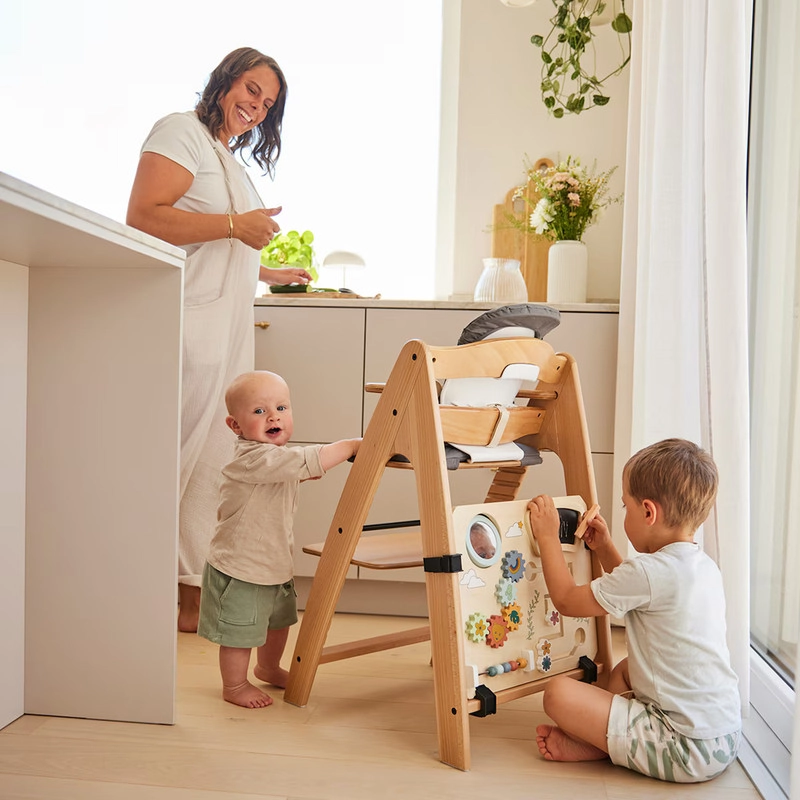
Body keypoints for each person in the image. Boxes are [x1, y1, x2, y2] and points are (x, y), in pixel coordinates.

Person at [126, 48, 312, 632]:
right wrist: (237, 226)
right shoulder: (179, 132)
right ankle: (127, 590)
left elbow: (215, 243)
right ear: (226, 81)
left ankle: (187, 603)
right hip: (186, 329)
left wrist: (267, 272)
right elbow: (143, 216)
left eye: (268, 102)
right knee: (173, 460)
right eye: (251, 90)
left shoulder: (225, 157)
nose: (256, 106)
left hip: (226, 338)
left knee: (211, 469)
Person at [527, 438, 741, 784]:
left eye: (625, 506)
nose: (623, 512)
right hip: (723, 735)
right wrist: (606, 548)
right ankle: (603, 739)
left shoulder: (648, 573)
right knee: (627, 670)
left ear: (648, 512)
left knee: (557, 694)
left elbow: (566, 600)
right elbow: (640, 593)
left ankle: (601, 743)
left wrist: (548, 537)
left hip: (684, 748)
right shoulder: (702, 567)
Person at [197, 370, 361, 708]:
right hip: (241, 569)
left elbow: (294, 469)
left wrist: (307, 472)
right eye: (259, 411)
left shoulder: (274, 461)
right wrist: (351, 446)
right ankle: (234, 686)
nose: (274, 416)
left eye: (282, 408)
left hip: (273, 564)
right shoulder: (252, 458)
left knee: (278, 623)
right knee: (240, 633)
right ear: (235, 426)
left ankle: (268, 667)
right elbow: (300, 461)